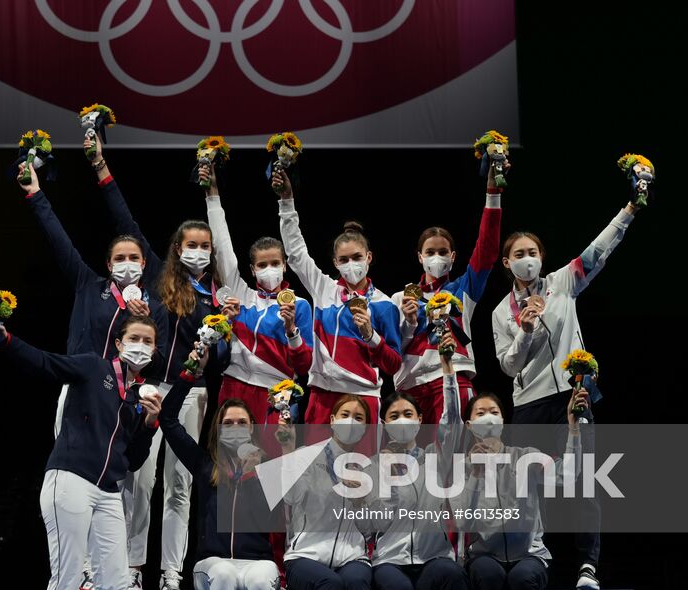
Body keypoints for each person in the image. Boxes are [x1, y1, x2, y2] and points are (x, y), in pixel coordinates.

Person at [16, 161, 170, 590]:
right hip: (82, 394)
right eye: (119, 258)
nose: (127, 264)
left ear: (144, 264)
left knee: (125, 484)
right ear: (108, 263)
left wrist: (143, 318)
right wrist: (35, 194)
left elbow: (156, 359)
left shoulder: (151, 308)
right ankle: (81, 571)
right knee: (76, 484)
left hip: (126, 399)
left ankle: (121, 571)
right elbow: (58, 240)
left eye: (134, 258)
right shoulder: (89, 285)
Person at [86, 136, 223, 590]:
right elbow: (124, 219)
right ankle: (130, 571)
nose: (199, 251)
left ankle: (171, 576)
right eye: (192, 244)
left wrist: (220, 338)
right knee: (139, 483)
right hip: (150, 390)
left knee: (180, 487)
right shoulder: (160, 276)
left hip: (192, 394)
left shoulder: (218, 297)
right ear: (177, 247)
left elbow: (219, 358)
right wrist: (101, 166)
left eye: (206, 245)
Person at [490, 188, 645, 590]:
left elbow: (599, 250)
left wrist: (629, 209)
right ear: (507, 263)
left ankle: (587, 566)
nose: (528, 259)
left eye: (534, 252)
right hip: (529, 406)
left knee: (583, 480)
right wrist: (523, 331)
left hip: (573, 398)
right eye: (519, 254)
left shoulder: (562, 282)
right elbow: (508, 366)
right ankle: (534, 559)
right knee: (530, 488)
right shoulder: (499, 313)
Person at [0, 315, 163, 590]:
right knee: (69, 571)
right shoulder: (94, 368)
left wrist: (149, 426)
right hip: (70, 478)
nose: (140, 346)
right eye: (134, 338)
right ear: (119, 344)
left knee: (116, 582)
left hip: (108, 492)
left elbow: (131, 460)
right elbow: (46, 363)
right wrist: (6, 340)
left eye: (148, 341)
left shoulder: (138, 398)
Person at [157, 344, 282, 590]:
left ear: (252, 427)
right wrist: (189, 374)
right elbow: (168, 419)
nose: (235, 427)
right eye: (228, 423)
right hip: (211, 565)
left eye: (242, 422)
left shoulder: (268, 469)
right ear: (218, 429)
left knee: (262, 581)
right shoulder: (205, 466)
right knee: (224, 573)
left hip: (257, 564)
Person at [274, 170, 403, 424]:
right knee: (315, 464)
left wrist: (371, 336)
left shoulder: (384, 304)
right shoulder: (324, 289)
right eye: (344, 260)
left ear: (369, 257)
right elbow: (296, 252)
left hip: (364, 398)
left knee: (361, 466)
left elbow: (393, 365)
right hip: (323, 397)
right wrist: (286, 200)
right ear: (335, 263)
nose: (351, 264)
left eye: (357, 257)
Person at [455, 388, 589, 590]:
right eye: (481, 413)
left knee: (523, 579)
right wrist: (475, 474)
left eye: (493, 412)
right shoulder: (462, 469)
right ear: (468, 425)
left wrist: (573, 429)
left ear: (502, 421)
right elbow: (463, 521)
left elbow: (566, 476)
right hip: (484, 556)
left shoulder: (526, 457)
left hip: (530, 555)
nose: (488, 418)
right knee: (488, 575)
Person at [367, 331, 472, 590]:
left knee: (453, 576)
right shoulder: (374, 466)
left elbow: (452, 421)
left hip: (432, 557)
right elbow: (374, 523)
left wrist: (447, 369)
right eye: (395, 415)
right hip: (390, 560)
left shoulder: (434, 457)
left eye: (408, 414)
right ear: (385, 424)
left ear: (419, 420)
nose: (402, 420)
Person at [391, 156, 505, 423]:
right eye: (430, 252)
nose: (437, 257)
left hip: (454, 376)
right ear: (419, 256)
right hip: (411, 388)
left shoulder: (463, 289)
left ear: (453, 256)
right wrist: (408, 322)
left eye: (443, 252)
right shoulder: (400, 298)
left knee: (456, 458)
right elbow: (390, 352)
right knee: (414, 462)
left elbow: (487, 252)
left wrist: (492, 194)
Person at [200, 163, 314, 425]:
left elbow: (305, 366)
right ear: (252, 269)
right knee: (230, 460)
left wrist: (291, 330)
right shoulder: (240, 294)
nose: (269, 269)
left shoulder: (300, 306)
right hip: (234, 387)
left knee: (271, 465)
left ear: (285, 266)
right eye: (262, 265)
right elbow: (222, 245)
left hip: (275, 394)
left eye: (275, 263)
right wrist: (212, 194)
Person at [275, 396, 378, 590]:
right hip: (304, 557)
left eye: (358, 418)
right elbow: (291, 498)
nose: (351, 422)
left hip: (351, 557)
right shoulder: (305, 455)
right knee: (329, 582)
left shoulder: (369, 469)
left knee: (357, 581)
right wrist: (288, 452)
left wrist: (361, 501)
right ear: (332, 420)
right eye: (345, 415)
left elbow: (369, 532)